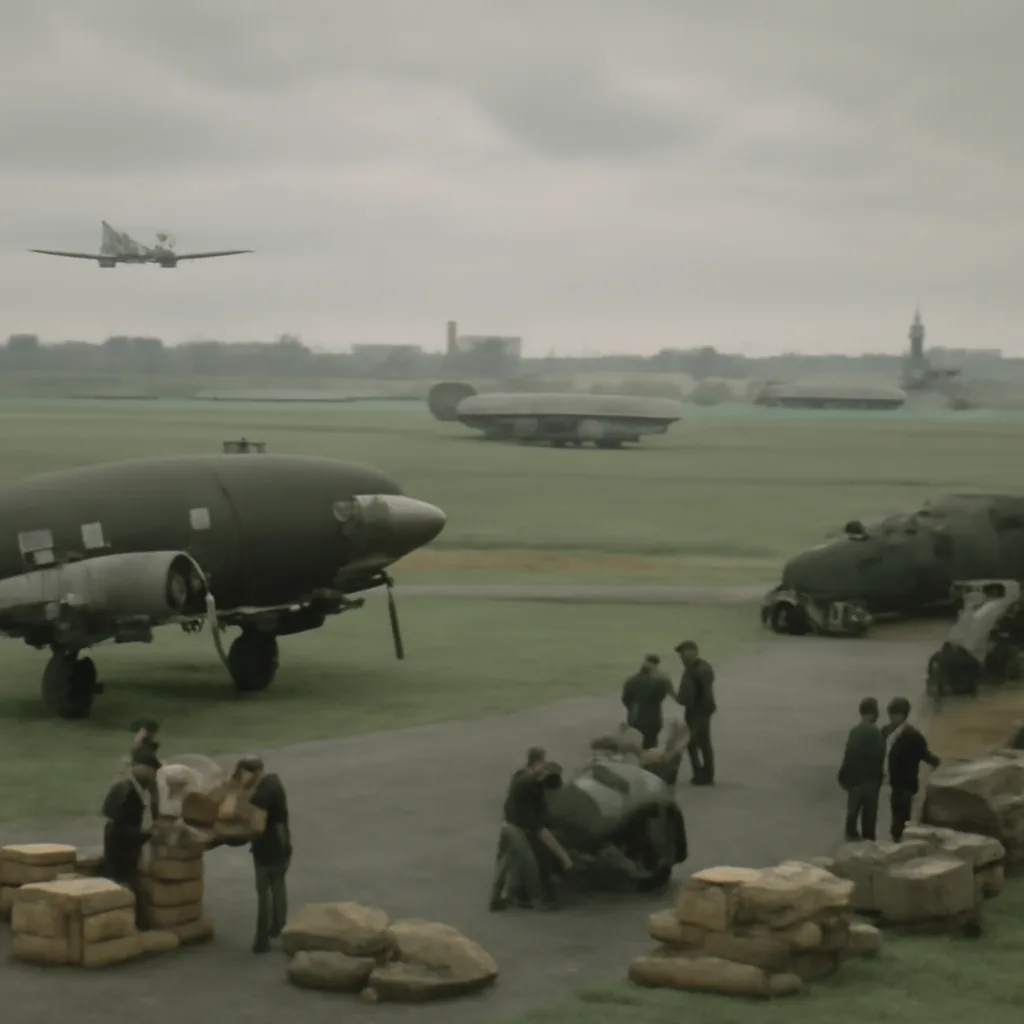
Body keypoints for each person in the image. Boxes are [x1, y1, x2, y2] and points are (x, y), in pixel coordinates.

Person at [489, 747, 573, 912]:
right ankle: (538, 901)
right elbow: (539, 829)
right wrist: (564, 857)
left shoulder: (519, 776)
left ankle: (500, 898)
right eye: (543, 763)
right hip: (516, 829)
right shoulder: (530, 786)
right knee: (530, 865)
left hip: (507, 825)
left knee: (506, 864)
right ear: (537, 763)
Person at [234, 755, 292, 954]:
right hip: (283, 842)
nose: (241, 778)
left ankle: (262, 941)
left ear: (255, 773)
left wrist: (236, 834)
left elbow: (257, 828)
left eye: (243, 774)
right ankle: (280, 929)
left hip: (266, 848)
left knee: (263, 893)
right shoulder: (273, 781)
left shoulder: (261, 795)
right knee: (278, 888)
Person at [101, 751, 159, 928]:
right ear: (141, 768)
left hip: (123, 844)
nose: (152, 775)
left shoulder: (131, 788)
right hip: (120, 847)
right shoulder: (127, 790)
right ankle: (130, 925)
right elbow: (120, 828)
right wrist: (146, 834)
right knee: (124, 885)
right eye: (151, 770)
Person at [882, 697, 940, 842]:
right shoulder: (885, 732)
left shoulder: (913, 736)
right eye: (891, 714)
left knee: (901, 817)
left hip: (907, 784)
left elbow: (925, 755)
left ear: (903, 716)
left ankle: (899, 842)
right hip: (894, 782)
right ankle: (897, 841)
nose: (892, 718)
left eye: (895, 715)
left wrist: (936, 764)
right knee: (896, 812)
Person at [837, 697, 886, 841]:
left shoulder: (855, 732)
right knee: (869, 821)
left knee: (852, 818)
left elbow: (849, 756)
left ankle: (848, 850)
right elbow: (880, 757)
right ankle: (868, 849)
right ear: (875, 713)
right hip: (871, 782)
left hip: (855, 782)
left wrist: (843, 777)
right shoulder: (877, 733)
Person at [674, 641, 717, 785]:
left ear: (692, 652)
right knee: (702, 742)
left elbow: (687, 696)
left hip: (697, 711)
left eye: (683, 653)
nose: (681, 657)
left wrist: (675, 695)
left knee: (695, 743)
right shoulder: (704, 667)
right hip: (703, 709)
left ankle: (701, 774)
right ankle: (706, 773)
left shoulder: (694, 670)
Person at [620, 654, 675, 750]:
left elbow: (625, 699)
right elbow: (661, 697)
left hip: (635, 720)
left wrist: (631, 707)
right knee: (650, 748)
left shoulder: (631, 681)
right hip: (652, 721)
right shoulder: (658, 682)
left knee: (635, 748)